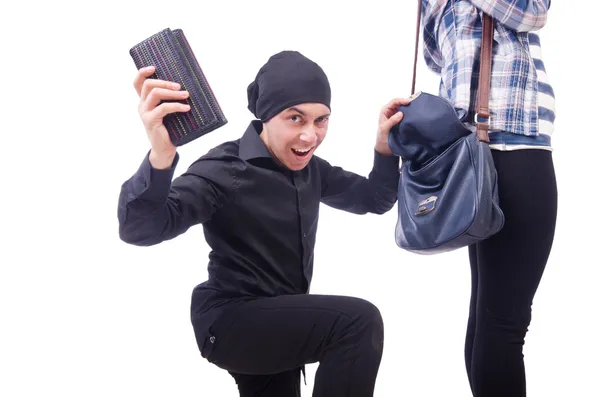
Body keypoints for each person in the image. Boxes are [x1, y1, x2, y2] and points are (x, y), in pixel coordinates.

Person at [117, 50, 408, 396]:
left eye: (321, 120)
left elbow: (373, 199)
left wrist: (385, 148)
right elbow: (139, 227)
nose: (310, 136)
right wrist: (161, 157)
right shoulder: (225, 169)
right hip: (230, 322)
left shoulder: (313, 170)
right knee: (358, 323)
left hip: (280, 323)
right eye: (295, 119)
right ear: (266, 116)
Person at [420, 1, 557, 396]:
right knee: (504, 323)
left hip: (468, 158)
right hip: (515, 147)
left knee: (487, 317)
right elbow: (533, 12)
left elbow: (435, 54)